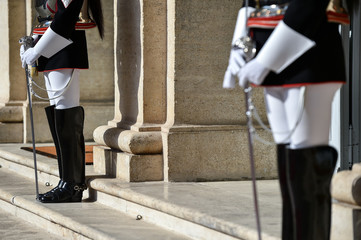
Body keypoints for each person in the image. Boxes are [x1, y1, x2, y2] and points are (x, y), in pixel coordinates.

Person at [224, 0, 348, 239]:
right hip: (271, 53)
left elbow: (309, 5)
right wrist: (240, 46)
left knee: (306, 158)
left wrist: (265, 60)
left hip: (309, 55)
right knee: (289, 159)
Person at [20, 0, 104, 203]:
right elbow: (45, 18)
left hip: (64, 45)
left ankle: (72, 184)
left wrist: (37, 50)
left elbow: (66, 17)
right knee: (59, 112)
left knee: (66, 110)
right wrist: (31, 42)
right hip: (50, 45)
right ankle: (65, 181)